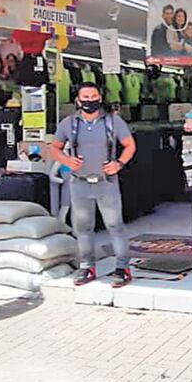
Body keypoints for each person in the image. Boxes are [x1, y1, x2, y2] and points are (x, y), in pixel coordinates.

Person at [49, 83, 137, 287]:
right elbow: (54, 147)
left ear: (100, 98)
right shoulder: (68, 123)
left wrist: (119, 163)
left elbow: (129, 144)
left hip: (106, 183)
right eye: (85, 97)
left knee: (115, 225)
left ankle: (122, 268)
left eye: (94, 96)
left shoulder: (113, 121)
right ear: (78, 100)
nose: (90, 100)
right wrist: (65, 161)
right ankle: (87, 266)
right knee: (83, 227)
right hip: (79, 184)